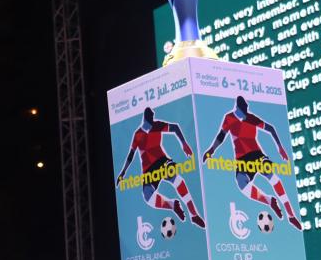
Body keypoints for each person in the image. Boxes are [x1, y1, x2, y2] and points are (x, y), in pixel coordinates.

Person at [203, 96, 302, 230]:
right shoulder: (229, 118)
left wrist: (280, 147)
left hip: (257, 155)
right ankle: (269, 200)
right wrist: (211, 150)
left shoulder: (251, 118)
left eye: (246, 112)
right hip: (241, 159)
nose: (245, 115)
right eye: (243, 112)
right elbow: (221, 136)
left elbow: (271, 129)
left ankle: (291, 215)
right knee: (242, 184)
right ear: (237, 108)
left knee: (273, 178)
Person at [117, 107, 206, 228]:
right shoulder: (138, 135)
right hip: (148, 169)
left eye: (152, 119)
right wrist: (123, 173)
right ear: (145, 119)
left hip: (161, 161)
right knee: (148, 197)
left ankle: (194, 214)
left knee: (177, 180)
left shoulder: (157, 125)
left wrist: (184, 143)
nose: (152, 122)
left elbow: (175, 127)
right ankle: (173, 205)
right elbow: (130, 155)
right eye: (150, 120)